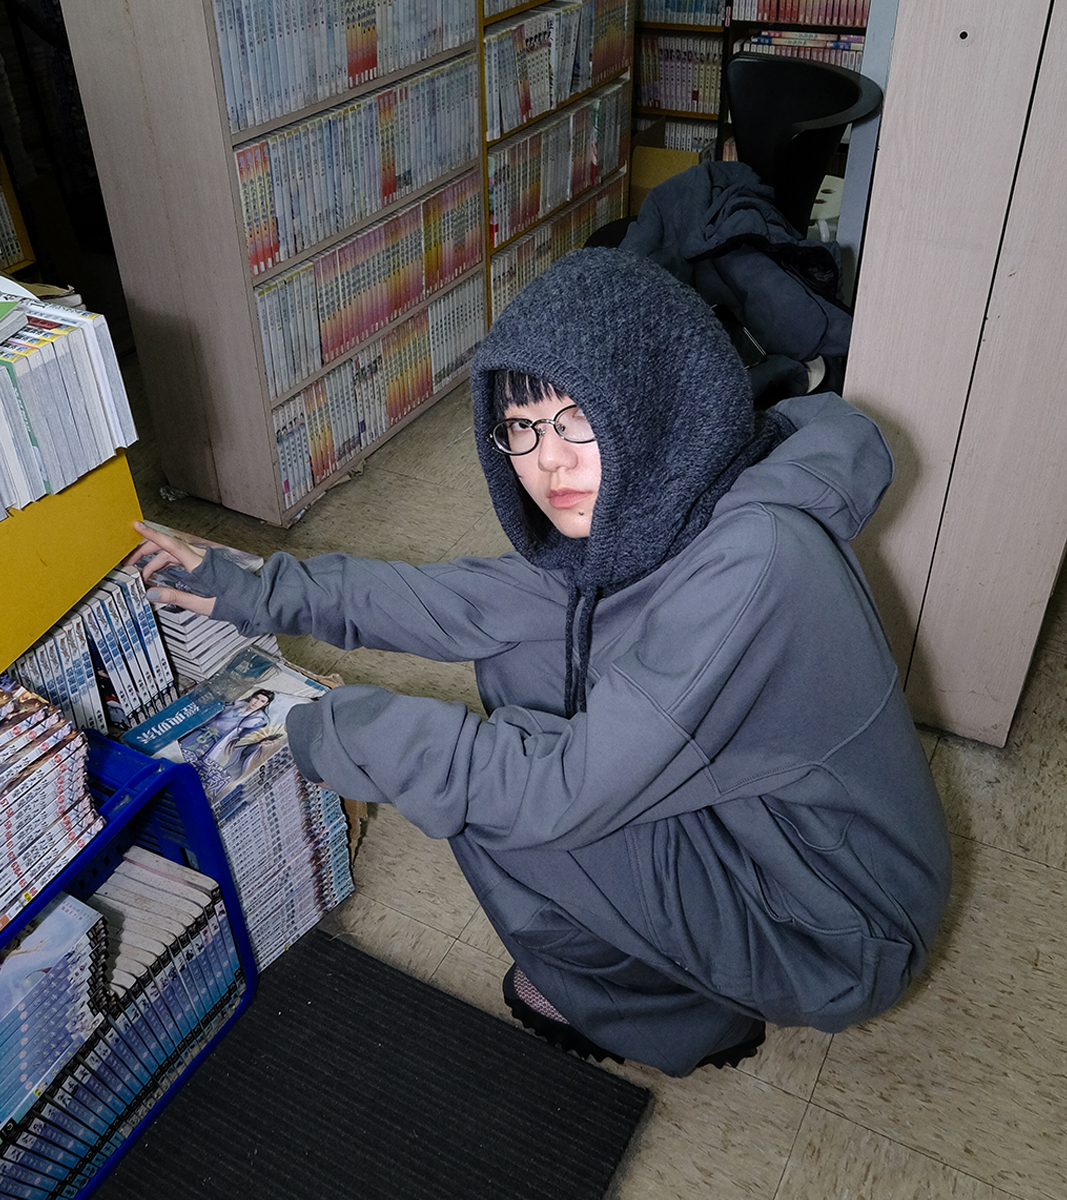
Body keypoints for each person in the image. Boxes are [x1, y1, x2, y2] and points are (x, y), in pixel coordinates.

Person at [130, 247, 951, 1077]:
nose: (546, 460)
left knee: (495, 797)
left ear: (658, 405)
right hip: (775, 844)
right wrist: (256, 590)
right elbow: (459, 603)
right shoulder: (673, 502)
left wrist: (328, 730)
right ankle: (659, 979)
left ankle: (681, 1019)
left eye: (577, 418)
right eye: (520, 427)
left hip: (834, 931)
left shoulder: (755, 565)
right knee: (521, 657)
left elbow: (557, 793)